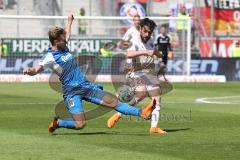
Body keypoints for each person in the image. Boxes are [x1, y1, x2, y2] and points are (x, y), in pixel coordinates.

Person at [23, 14, 155, 133]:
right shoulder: (50, 56)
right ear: (56, 42)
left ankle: (142, 112)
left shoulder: (63, 45)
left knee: (113, 102)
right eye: (63, 39)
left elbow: (67, 34)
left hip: (85, 86)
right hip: (72, 92)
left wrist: (69, 21)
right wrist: (30, 71)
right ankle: (59, 123)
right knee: (80, 124)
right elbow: (37, 69)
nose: (66, 40)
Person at [107, 18, 167, 134]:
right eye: (145, 31)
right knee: (142, 92)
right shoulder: (134, 40)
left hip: (149, 72)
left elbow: (154, 52)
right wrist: (145, 52)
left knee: (157, 99)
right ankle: (119, 114)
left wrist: (159, 54)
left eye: (150, 32)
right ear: (140, 29)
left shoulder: (151, 40)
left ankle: (153, 127)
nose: (147, 34)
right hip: (136, 72)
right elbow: (129, 54)